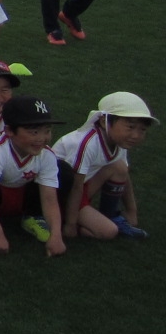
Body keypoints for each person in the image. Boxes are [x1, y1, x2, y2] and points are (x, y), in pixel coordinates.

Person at [53, 90, 153, 240]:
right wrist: (71, 225)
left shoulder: (118, 141)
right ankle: (63, 219)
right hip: (60, 194)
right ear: (103, 121)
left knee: (119, 167)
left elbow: (124, 174)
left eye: (142, 130)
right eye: (130, 127)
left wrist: (132, 211)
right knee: (108, 232)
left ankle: (109, 216)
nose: (136, 135)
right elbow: (75, 185)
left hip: (81, 188)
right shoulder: (87, 143)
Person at [0, 96, 67, 256]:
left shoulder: (46, 154)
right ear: (10, 131)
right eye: (34, 132)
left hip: (19, 191)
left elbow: (49, 198)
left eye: (47, 130)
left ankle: (32, 216)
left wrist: (56, 235)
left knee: (64, 170)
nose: (42, 138)